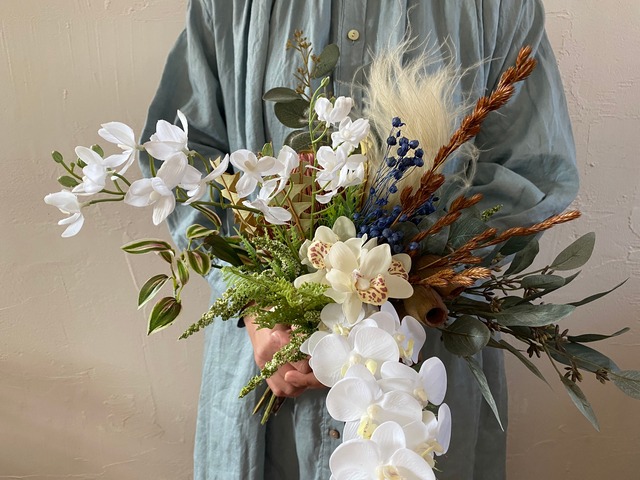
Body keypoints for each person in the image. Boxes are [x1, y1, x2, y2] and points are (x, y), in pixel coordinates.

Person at [140, 1, 579, 479]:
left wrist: (401, 276)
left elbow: (534, 172)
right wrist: (255, 303)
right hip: (270, 375)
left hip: (422, 373)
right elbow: (183, 162)